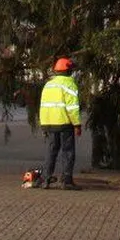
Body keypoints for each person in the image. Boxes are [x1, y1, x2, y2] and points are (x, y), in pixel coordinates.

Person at [38, 56, 81, 189]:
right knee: (67, 151)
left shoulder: (49, 84)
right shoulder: (69, 84)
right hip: (64, 123)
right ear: (68, 71)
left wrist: (44, 125)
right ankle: (66, 181)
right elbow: (72, 107)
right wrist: (77, 124)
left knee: (51, 150)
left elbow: (43, 106)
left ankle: (45, 179)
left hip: (50, 124)